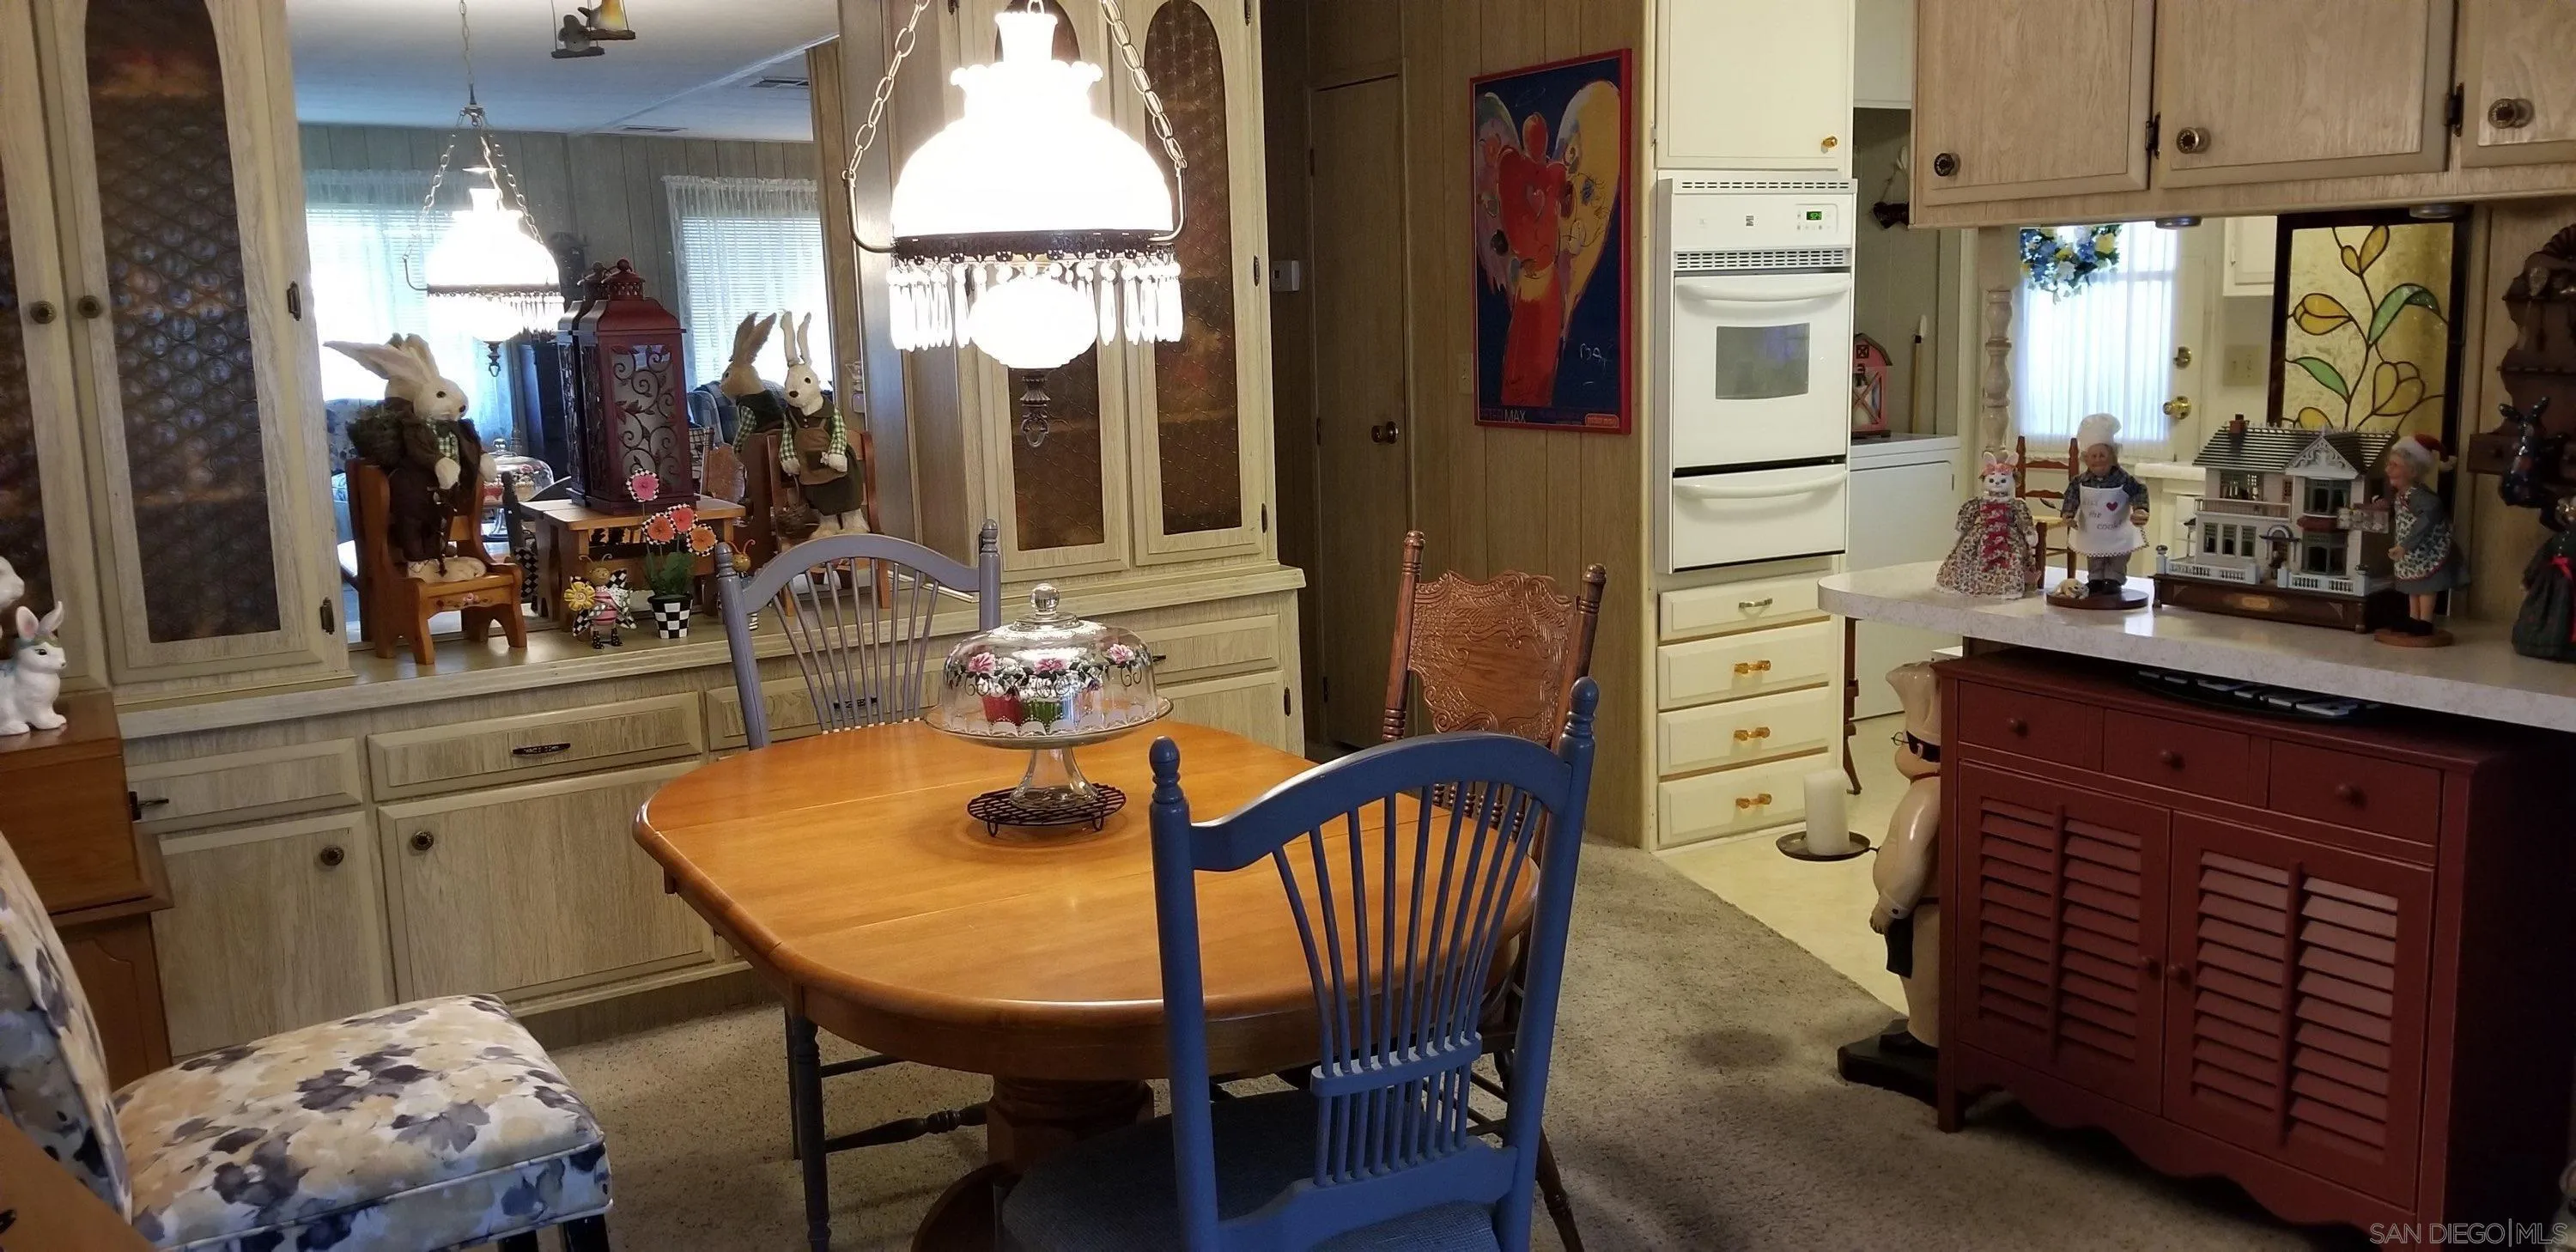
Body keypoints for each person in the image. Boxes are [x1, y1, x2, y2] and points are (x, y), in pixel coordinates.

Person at [2060, 412, 2149, 597]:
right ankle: (2095, 579)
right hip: (2093, 530)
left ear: (2112, 456)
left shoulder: (2123, 478)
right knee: (2095, 554)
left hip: (2117, 529)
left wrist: (2140, 509)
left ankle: (2114, 579)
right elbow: (2071, 496)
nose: (2098, 459)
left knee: (2117, 556)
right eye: (2093, 456)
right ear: (2086, 459)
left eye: (2102, 455)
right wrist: (2068, 514)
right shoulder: (2080, 481)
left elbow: (2139, 490)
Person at [2384, 434, 2464, 639]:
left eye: (2394, 465)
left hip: (2427, 551)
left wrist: (2406, 545)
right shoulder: (2403, 495)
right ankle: (2414, 619)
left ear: (2412, 470)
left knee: (2426, 586)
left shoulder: (2422, 498)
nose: (2388, 470)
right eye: (2389, 464)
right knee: (2413, 586)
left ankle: (2425, 621)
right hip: (2411, 553)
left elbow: (2426, 521)